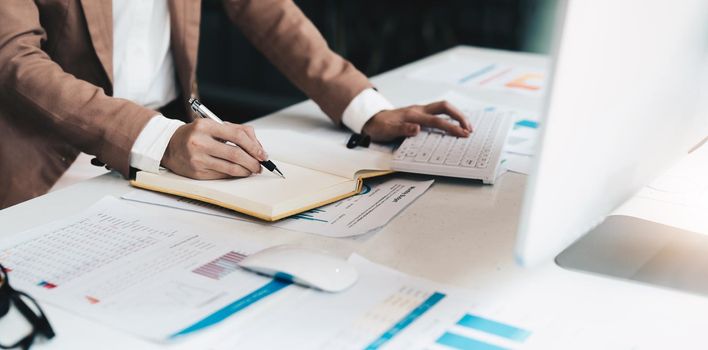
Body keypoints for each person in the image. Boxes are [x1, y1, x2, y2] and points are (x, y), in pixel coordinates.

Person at [0, 0, 471, 209]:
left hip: (171, 149)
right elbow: (13, 56)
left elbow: (264, 8)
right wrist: (159, 138)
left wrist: (364, 107)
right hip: (47, 160)